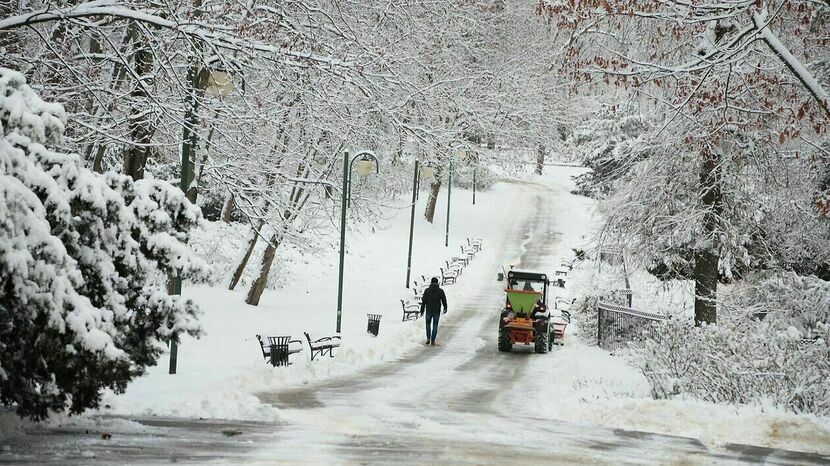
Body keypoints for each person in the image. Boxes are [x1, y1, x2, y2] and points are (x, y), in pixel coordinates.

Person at [420, 277, 447, 346]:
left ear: (431, 283)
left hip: (429, 310)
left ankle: (428, 338)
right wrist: (445, 307)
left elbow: (424, 301)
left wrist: (422, 309)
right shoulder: (440, 291)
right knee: (435, 325)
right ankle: (433, 340)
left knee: (428, 325)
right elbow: (444, 300)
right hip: (436, 311)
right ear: (437, 283)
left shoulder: (427, 290)